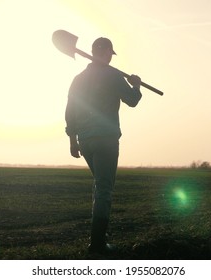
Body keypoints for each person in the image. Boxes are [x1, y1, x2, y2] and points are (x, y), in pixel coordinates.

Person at [65, 37, 142, 255]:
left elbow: (70, 110)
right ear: (106, 51)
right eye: (110, 52)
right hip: (105, 139)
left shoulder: (78, 79)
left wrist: (72, 139)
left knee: (100, 186)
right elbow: (132, 100)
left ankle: (99, 237)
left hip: (85, 140)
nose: (110, 57)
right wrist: (135, 85)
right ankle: (97, 244)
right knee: (104, 189)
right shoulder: (113, 75)